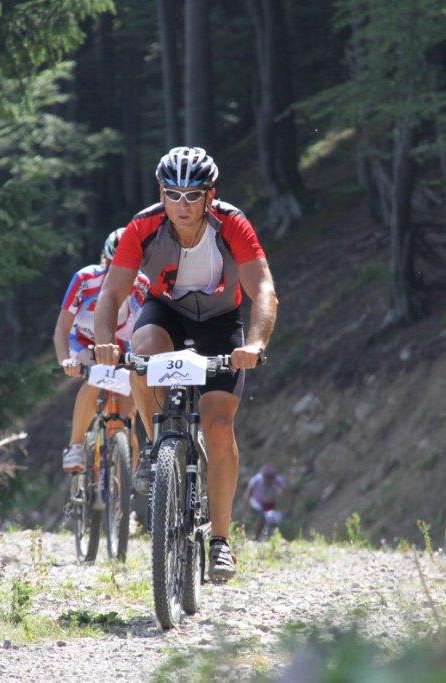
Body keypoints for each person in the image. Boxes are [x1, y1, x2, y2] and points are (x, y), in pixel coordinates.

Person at [93, 146, 279, 582]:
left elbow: (263, 290)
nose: (182, 204)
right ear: (161, 193)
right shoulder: (144, 225)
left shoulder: (231, 223)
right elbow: (111, 293)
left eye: (193, 195)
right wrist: (103, 341)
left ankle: (221, 541)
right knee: (141, 352)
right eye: (172, 194)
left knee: (218, 425)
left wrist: (255, 343)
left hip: (221, 321)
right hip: (167, 313)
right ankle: (155, 445)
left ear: (209, 195)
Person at [54, 228, 150, 473]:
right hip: (84, 343)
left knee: (127, 419)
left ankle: (126, 487)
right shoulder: (85, 280)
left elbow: (149, 330)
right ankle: (76, 446)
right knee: (98, 374)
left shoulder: (142, 286)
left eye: (128, 268)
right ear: (104, 261)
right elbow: (62, 329)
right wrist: (65, 361)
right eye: (112, 265)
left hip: (122, 347)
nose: (118, 274)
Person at [245, 463, 287, 540]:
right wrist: (248, 503)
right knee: (261, 517)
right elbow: (249, 492)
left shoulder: (278, 480)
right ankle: (256, 536)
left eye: (272, 478)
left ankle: (272, 535)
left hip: (270, 501)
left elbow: (286, 491)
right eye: (268, 478)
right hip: (257, 501)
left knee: (273, 518)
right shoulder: (256, 480)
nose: (270, 480)